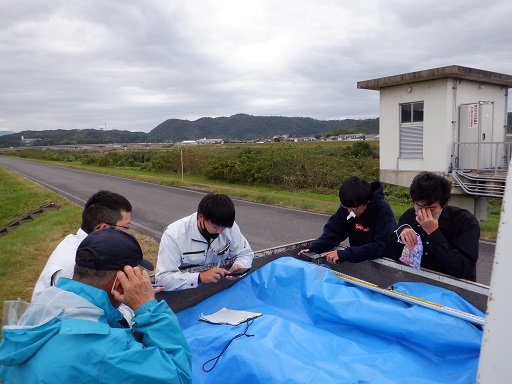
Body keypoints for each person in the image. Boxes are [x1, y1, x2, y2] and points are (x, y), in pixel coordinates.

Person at [0, 228, 192, 383]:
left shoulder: (46, 304)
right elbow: (179, 376)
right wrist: (148, 308)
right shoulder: (108, 351)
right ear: (119, 283)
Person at [31, 190, 134, 301]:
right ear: (103, 228)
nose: (128, 234)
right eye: (126, 227)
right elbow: (96, 311)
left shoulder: (75, 243)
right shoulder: (82, 263)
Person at [387, 171, 480, 281]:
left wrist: (434, 233)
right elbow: (391, 253)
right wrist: (401, 233)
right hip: (416, 283)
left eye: (431, 209)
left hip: (452, 289)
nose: (424, 213)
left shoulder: (465, 221)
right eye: (419, 207)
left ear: (443, 205)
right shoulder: (410, 215)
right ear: (413, 202)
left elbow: (463, 270)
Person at [156, 193, 254, 290]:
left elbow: (245, 253)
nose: (220, 232)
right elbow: (163, 279)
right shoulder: (174, 235)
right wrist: (200, 277)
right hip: (184, 295)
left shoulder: (229, 227)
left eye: (224, 227)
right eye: (215, 227)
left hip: (216, 291)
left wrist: (240, 265)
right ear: (200, 217)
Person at [299, 176, 396, 264]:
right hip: (360, 260)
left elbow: (382, 246)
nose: (350, 212)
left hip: (383, 263)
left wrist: (346, 254)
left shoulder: (382, 210)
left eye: (354, 209)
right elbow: (334, 233)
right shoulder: (348, 208)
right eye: (346, 207)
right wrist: (315, 247)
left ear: (367, 201)